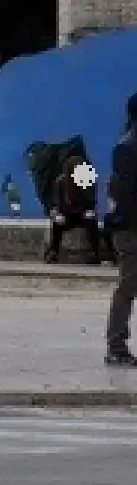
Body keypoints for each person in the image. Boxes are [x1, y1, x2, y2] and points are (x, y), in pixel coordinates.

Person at [106, 93, 137, 367]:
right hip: (131, 230)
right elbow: (126, 194)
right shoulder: (128, 147)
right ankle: (116, 345)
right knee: (128, 286)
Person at [46, 153, 105, 264]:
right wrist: (57, 214)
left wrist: (89, 210)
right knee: (56, 224)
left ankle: (95, 253)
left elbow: (91, 200)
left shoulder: (87, 181)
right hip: (67, 214)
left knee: (91, 222)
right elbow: (55, 203)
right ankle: (54, 251)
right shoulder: (60, 182)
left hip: (83, 213)